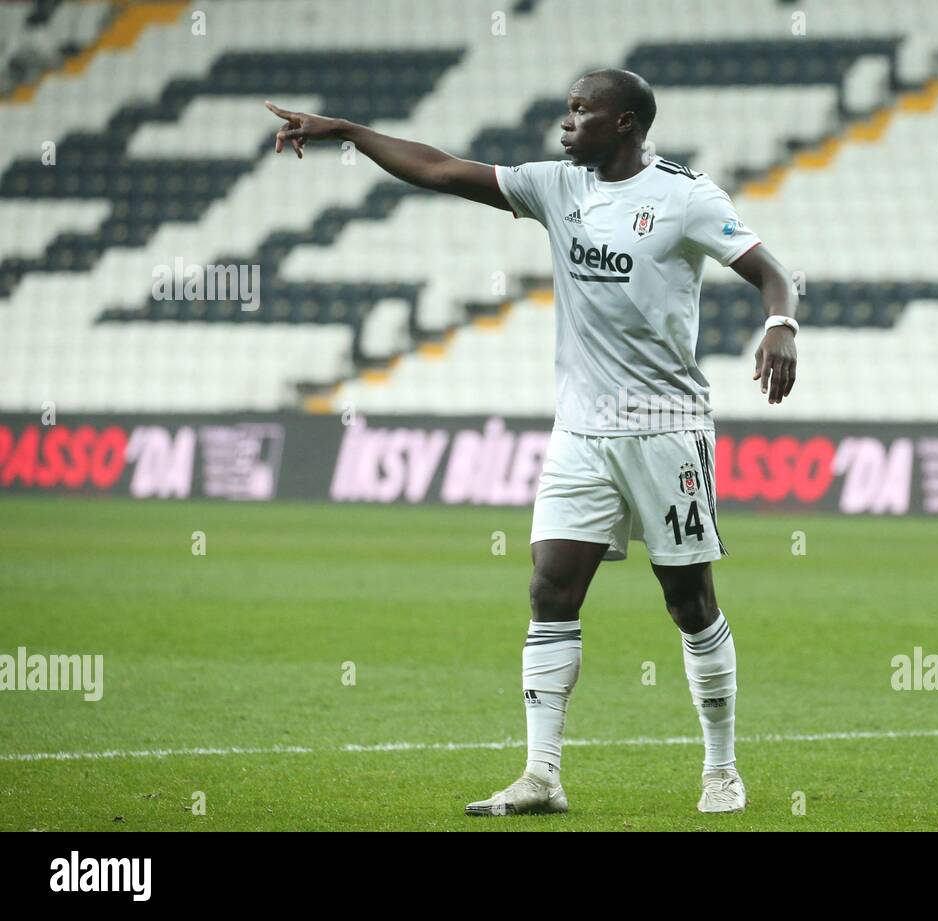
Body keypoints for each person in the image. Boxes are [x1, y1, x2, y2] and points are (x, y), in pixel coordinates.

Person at [266, 67, 798, 815]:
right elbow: (443, 170)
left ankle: (720, 768)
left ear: (626, 124)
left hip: (665, 430)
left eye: (582, 110)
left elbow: (775, 273)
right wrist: (348, 133)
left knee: (689, 602)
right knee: (551, 588)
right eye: (567, 108)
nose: (565, 121)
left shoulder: (686, 198)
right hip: (580, 429)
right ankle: (542, 774)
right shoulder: (557, 186)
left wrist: (781, 325)